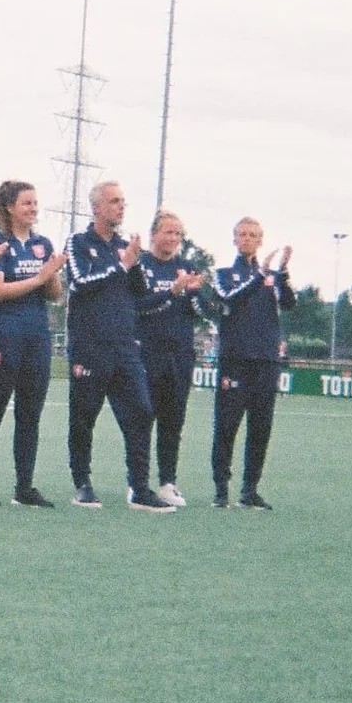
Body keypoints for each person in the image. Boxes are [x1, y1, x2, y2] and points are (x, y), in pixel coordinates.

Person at [65, 180, 167, 512]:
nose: (120, 206)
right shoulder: (78, 243)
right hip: (89, 346)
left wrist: (134, 264)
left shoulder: (126, 247)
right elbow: (81, 282)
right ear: (96, 208)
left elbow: (141, 292)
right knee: (84, 417)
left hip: (125, 347)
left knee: (142, 411)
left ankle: (139, 488)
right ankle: (82, 483)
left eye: (123, 201)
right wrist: (121, 266)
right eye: (113, 201)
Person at [0, 180, 59, 507]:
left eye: (35, 203)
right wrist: (38, 278)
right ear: (10, 208)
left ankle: (24, 487)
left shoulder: (43, 244)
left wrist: (52, 274)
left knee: (30, 414)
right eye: (26, 203)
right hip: (2, 337)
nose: (33, 208)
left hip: (36, 338)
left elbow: (55, 294)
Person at [209, 218, 296, 508]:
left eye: (253, 235)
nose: (247, 239)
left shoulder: (271, 277)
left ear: (260, 241)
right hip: (235, 362)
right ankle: (221, 489)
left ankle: (250, 490)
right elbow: (229, 298)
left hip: (266, 362)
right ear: (234, 239)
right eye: (242, 234)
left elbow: (289, 303)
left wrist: (282, 272)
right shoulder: (223, 274)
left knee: (260, 428)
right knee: (226, 427)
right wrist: (259, 276)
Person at [135, 209, 208, 508]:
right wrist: (173, 292)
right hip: (147, 352)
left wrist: (194, 293)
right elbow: (139, 306)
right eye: (168, 232)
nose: (173, 238)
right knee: (143, 417)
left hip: (180, 354)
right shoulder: (141, 265)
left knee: (173, 420)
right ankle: (138, 483)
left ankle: (167, 482)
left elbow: (201, 313)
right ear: (154, 234)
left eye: (178, 233)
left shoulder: (186, 267)